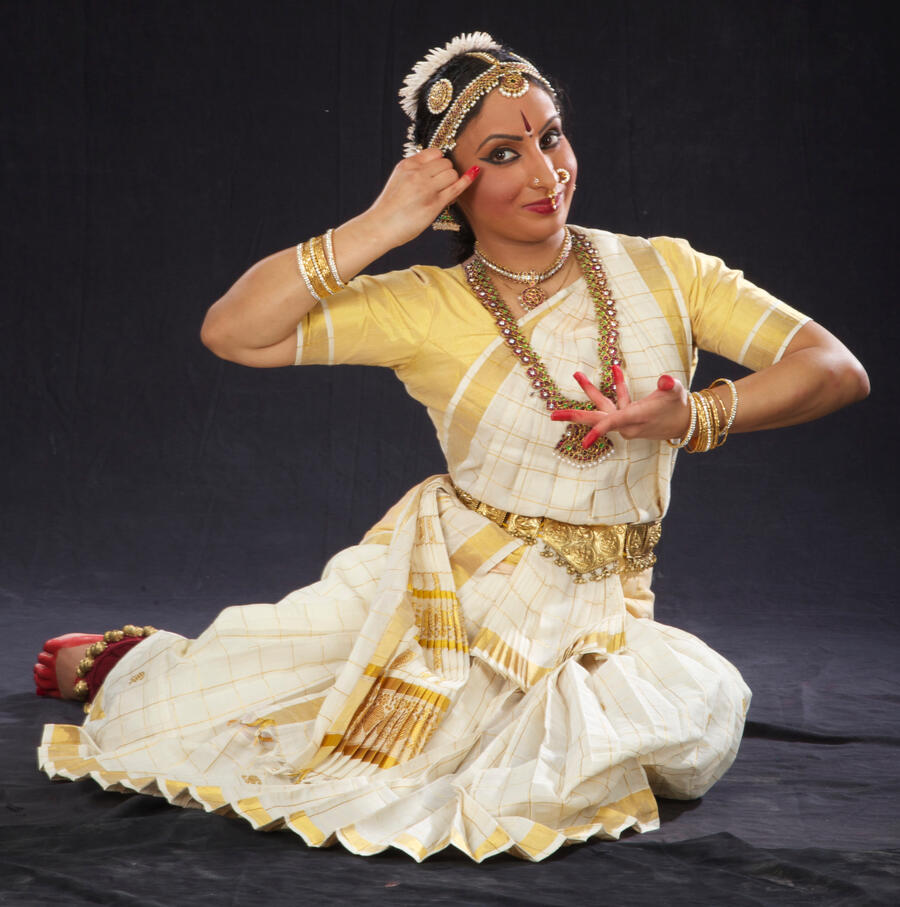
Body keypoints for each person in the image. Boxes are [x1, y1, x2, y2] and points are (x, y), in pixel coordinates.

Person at [34, 32, 868, 862]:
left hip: (605, 613)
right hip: (441, 592)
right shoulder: (427, 304)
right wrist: (381, 224)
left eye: (550, 136)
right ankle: (131, 661)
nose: (545, 172)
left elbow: (835, 368)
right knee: (216, 700)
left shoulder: (665, 273)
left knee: (680, 723)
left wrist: (697, 415)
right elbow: (234, 332)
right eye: (503, 154)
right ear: (451, 184)